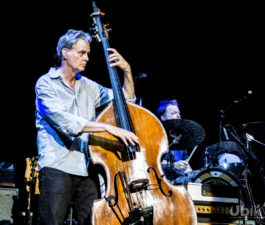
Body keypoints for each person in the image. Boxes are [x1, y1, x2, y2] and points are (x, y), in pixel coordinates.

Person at [35, 29, 139, 225]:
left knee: (95, 221)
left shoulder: (88, 86)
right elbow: (66, 122)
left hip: (85, 167)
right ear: (65, 53)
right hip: (57, 165)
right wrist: (108, 128)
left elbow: (126, 100)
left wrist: (127, 70)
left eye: (88, 54)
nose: (87, 58)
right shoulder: (45, 84)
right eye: (82, 53)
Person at [157, 100, 193, 181]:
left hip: (177, 184)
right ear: (163, 117)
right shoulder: (156, 138)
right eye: (173, 113)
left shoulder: (180, 140)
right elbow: (152, 164)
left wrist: (193, 175)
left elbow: (186, 166)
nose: (178, 116)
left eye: (179, 113)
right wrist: (173, 166)